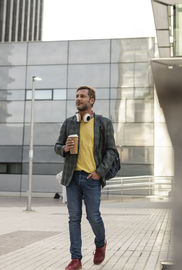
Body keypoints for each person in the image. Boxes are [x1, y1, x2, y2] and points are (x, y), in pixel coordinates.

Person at [55, 85, 116, 270]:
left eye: (82, 96)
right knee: (74, 218)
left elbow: (111, 151)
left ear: (91, 100)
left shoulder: (103, 123)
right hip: (72, 179)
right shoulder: (68, 123)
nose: (78, 99)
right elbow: (57, 146)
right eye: (76, 96)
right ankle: (76, 259)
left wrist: (99, 172)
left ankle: (100, 243)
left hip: (92, 179)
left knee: (93, 216)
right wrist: (64, 148)